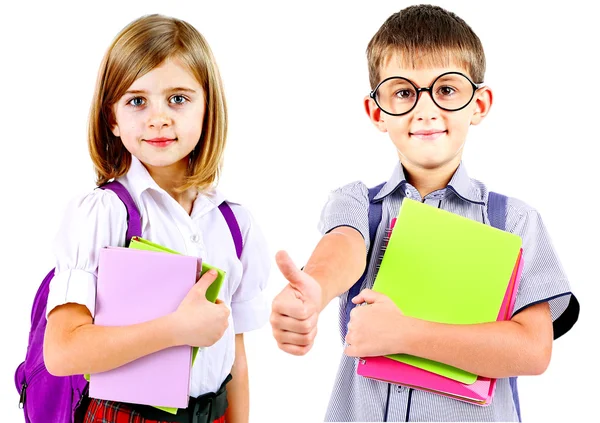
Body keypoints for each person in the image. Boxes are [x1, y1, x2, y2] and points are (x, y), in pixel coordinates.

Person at [270, 4, 578, 422]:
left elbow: (533, 350)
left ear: (479, 104)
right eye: (403, 92)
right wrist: (315, 290)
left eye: (447, 90)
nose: (425, 109)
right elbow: (343, 248)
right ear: (377, 111)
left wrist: (404, 334)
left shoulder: (514, 221)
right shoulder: (359, 203)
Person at [43, 14, 270, 423]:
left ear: (207, 107)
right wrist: (176, 330)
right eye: (137, 100)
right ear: (112, 118)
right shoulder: (104, 213)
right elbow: (62, 352)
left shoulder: (234, 223)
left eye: (178, 99)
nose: (159, 118)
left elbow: (234, 357)